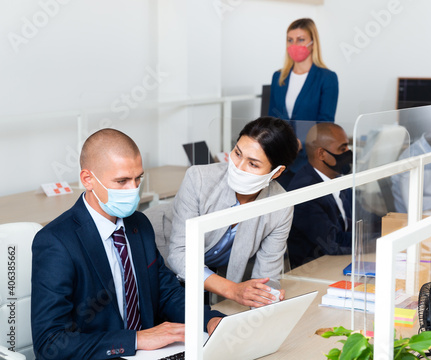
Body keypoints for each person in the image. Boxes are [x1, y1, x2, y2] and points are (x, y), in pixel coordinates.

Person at [31, 129, 223, 360]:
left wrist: (209, 320)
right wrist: (137, 339)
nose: (133, 189)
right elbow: (50, 342)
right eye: (122, 181)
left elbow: (166, 292)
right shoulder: (56, 242)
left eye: (138, 178)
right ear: (88, 179)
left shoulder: (139, 224)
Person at [167, 117, 298, 308]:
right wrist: (233, 290)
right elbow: (179, 254)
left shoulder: (280, 205)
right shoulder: (198, 179)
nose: (238, 166)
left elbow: (268, 273)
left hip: (209, 277)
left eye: (253, 164)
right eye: (237, 153)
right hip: (166, 265)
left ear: (276, 172)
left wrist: (267, 294)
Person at [268, 18, 339, 187]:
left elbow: (325, 123)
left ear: (312, 43)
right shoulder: (278, 77)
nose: (294, 45)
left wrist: (299, 142)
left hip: (309, 162)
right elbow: (272, 118)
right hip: (281, 162)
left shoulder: (327, 78)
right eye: (290, 40)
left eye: (301, 40)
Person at [286, 123, 353, 268]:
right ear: (321, 154)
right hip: (315, 270)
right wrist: (374, 243)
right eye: (343, 148)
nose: (348, 152)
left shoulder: (337, 179)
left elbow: (357, 222)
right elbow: (331, 244)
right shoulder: (305, 191)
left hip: (340, 261)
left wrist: (384, 230)